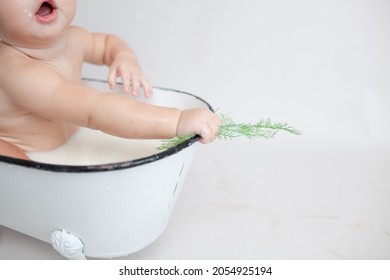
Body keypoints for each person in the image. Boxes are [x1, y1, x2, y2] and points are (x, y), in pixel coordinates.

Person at [0, 0, 221, 160]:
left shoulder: (73, 38)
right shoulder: (18, 72)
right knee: (12, 163)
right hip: (29, 152)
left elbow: (106, 43)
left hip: (67, 141)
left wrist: (123, 57)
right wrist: (176, 121)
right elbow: (94, 110)